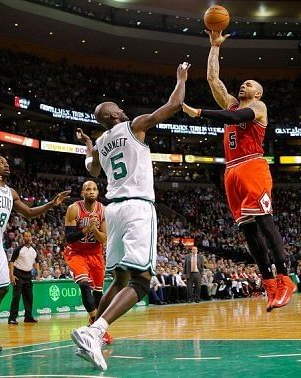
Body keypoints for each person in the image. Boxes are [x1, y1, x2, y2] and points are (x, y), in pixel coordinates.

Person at [70, 62, 190, 371]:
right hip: (137, 207)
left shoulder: (99, 144)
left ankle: (94, 323)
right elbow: (174, 105)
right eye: (118, 109)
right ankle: (95, 331)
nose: (123, 110)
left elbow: (92, 170)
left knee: (120, 278)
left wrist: (88, 147)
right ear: (112, 116)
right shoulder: (133, 125)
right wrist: (180, 78)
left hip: (114, 210)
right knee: (142, 281)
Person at [182, 30, 293, 312]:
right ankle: (268, 283)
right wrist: (214, 47)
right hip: (231, 171)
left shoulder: (258, 107)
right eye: (242, 84)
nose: (243, 86)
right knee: (249, 233)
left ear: (257, 92)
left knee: (266, 225)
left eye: (249, 84)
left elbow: (235, 117)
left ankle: (285, 279)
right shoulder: (232, 102)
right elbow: (212, 80)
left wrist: (200, 113)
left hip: (253, 166)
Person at [0, 155, 70, 359]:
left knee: (2, 289)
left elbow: (28, 212)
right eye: (1, 162)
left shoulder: (11, 192)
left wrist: (52, 204)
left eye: (7, 162)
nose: (7, 164)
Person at [63, 181, 112, 345]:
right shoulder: (74, 209)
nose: (91, 191)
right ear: (83, 192)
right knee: (84, 284)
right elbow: (69, 238)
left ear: (97, 192)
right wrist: (86, 229)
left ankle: (94, 326)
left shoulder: (103, 210)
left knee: (98, 294)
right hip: (76, 253)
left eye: (94, 189)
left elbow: (104, 239)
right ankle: (96, 325)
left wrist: (95, 229)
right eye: (87, 189)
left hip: (95, 254)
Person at [8, 231, 40, 325]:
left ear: (31, 237)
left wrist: (38, 274)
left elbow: (37, 262)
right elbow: (11, 262)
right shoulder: (19, 249)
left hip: (28, 275)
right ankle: (12, 318)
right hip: (18, 274)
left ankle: (28, 317)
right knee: (16, 297)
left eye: (29, 236)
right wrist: (11, 275)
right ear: (23, 237)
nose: (28, 238)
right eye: (26, 236)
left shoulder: (33, 250)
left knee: (29, 297)